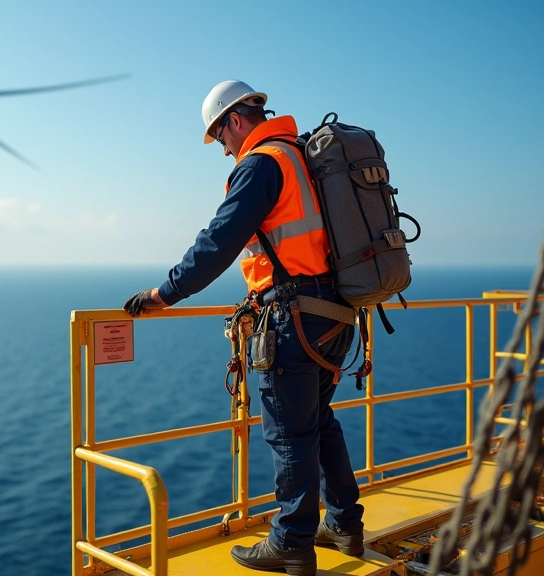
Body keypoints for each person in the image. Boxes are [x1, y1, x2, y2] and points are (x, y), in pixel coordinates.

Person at [122, 80, 365, 576]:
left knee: (290, 432)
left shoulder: (261, 163)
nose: (224, 148)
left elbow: (219, 240)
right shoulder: (301, 154)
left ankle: (293, 542)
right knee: (319, 421)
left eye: (220, 136)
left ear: (235, 119)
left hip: (294, 315)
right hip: (337, 309)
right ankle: (343, 524)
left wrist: (164, 294)